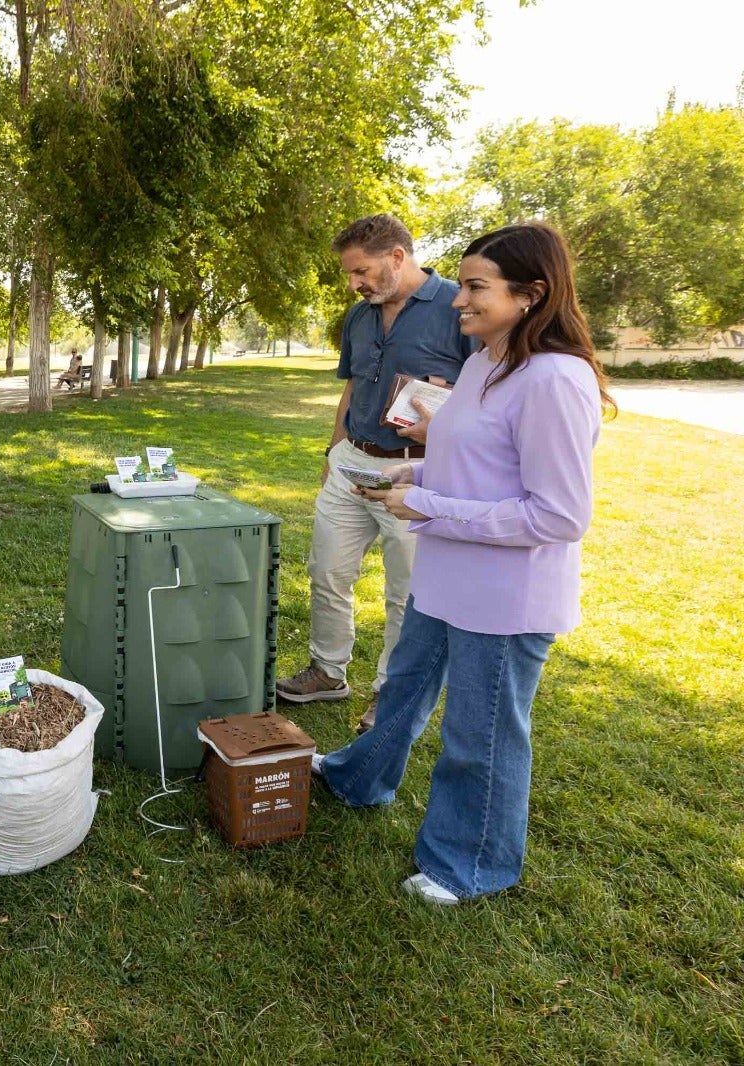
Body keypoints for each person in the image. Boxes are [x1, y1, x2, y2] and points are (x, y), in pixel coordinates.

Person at [312, 222, 613, 905]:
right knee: (403, 693)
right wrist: (419, 482)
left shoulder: (556, 380)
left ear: (531, 295)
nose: (458, 301)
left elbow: (559, 516)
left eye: (477, 287)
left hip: (504, 601)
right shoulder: (484, 361)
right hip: (444, 579)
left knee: (479, 737)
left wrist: (434, 509)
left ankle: (469, 863)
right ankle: (358, 779)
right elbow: (477, 463)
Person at [277, 214, 474, 733]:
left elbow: (486, 394)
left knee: (406, 593)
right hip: (350, 465)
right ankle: (327, 671)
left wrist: (447, 431)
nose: (355, 283)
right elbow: (351, 390)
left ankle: (390, 695)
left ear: (396, 257)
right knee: (327, 572)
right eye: (349, 274)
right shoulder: (359, 317)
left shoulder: (458, 307)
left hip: (415, 474)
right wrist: (332, 452)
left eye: (361, 271)